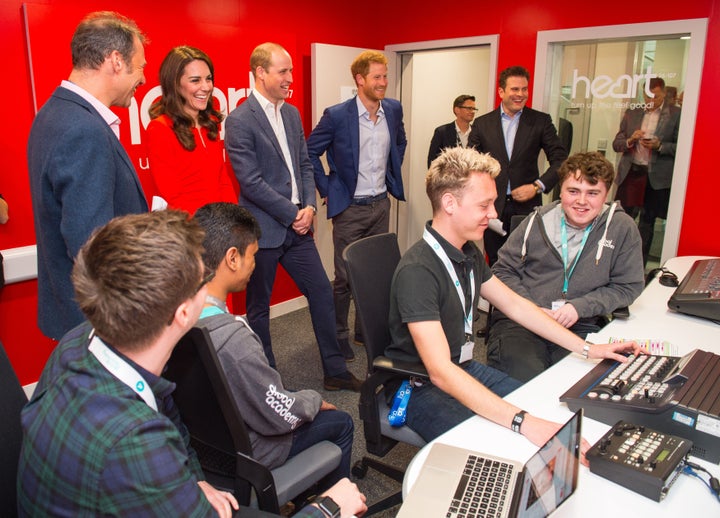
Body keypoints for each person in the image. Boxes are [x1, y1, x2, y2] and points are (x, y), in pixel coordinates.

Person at [16, 210, 367, 518]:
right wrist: (327, 508)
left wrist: (195, 477)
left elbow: (167, 407)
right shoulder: (135, 444)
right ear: (183, 313)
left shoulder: (77, 343)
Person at [384, 146, 642, 444]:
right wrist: (522, 422)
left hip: (461, 366)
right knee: (510, 438)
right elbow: (440, 371)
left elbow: (516, 306)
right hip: (420, 384)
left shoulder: (466, 252)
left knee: (543, 407)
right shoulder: (419, 270)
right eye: (485, 206)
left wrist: (588, 349)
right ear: (449, 203)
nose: (493, 214)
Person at [224, 42, 361, 392]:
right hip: (264, 231)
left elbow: (303, 164)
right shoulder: (239, 120)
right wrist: (292, 214)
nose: (290, 77)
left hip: (299, 229)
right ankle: (268, 382)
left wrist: (310, 207)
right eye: (283, 71)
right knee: (258, 311)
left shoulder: (291, 113)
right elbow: (250, 182)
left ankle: (334, 371)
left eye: (290, 71)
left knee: (320, 292)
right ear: (260, 73)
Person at [194, 202, 355, 490]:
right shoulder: (234, 340)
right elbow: (279, 415)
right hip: (247, 451)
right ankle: (333, 503)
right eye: (253, 255)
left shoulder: (177, 316)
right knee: (340, 421)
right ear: (232, 258)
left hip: (205, 448)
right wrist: (313, 402)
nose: (255, 264)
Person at [27, 11, 149, 340]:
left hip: (74, 315)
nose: (143, 79)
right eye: (140, 67)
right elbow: (93, 247)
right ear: (115, 61)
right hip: (102, 321)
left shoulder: (51, 114)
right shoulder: (84, 129)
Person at [487, 152, 645, 382]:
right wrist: (530, 307)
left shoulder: (622, 228)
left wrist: (578, 307)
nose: (582, 201)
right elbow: (502, 272)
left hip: (582, 323)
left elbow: (628, 286)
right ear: (560, 190)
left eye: (593, 193)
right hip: (522, 322)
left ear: (606, 195)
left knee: (573, 382)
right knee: (526, 380)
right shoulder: (536, 221)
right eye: (573, 191)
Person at [306, 50, 407, 358]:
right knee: (345, 277)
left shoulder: (392, 109)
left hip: (381, 205)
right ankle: (339, 336)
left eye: (385, 76)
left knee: (375, 275)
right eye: (377, 77)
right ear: (360, 79)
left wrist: (392, 171)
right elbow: (309, 153)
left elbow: (400, 142)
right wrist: (327, 188)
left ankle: (367, 332)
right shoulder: (337, 115)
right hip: (349, 209)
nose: (383, 83)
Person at [468, 66, 568, 265]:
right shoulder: (482, 124)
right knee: (495, 261)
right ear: (501, 91)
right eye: (515, 89)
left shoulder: (540, 121)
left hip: (526, 207)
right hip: (492, 207)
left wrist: (537, 186)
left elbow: (561, 160)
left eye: (524, 89)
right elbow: (469, 164)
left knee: (526, 261)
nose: (520, 94)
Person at [146, 46, 236, 214]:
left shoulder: (210, 123)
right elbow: (173, 196)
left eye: (208, 79)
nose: (206, 87)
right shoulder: (160, 128)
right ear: (175, 84)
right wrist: (208, 231)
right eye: (195, 80)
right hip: (190, 231)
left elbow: (223, 180)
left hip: (221, 227)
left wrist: (233, 221)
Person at [612, 77, 681, 265]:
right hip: (631, 174)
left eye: (656, 97)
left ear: (664, 93)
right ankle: (615, 264)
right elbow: (616, 144)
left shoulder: (675, 114)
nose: (651, 101)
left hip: (656, 179)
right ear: (643, 93)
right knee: (621, 221)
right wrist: (630, 140)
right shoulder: (632, 113)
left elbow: (683, 146)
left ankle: (638, 268)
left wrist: (660, 146)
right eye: (648, 96)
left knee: (647, 225)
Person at [427, 94, 477, 167]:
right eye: (469, 108)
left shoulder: (477, 132)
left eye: (474, 109)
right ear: (457, 110)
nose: (472, 111)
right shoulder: (442, 132)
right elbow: (432, 161)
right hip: (449, 177)